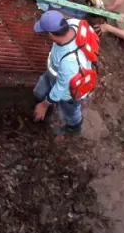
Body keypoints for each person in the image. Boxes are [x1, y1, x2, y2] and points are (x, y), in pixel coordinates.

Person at [32, 10, 100, 139]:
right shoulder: (74, 23)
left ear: (51, 34)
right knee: (40, 92)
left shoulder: (69, 61)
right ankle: (44, 107)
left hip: (70, 91)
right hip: (55, 74)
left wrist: (44, 105)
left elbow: (61, 88)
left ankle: (73, 128)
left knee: (69, 112)